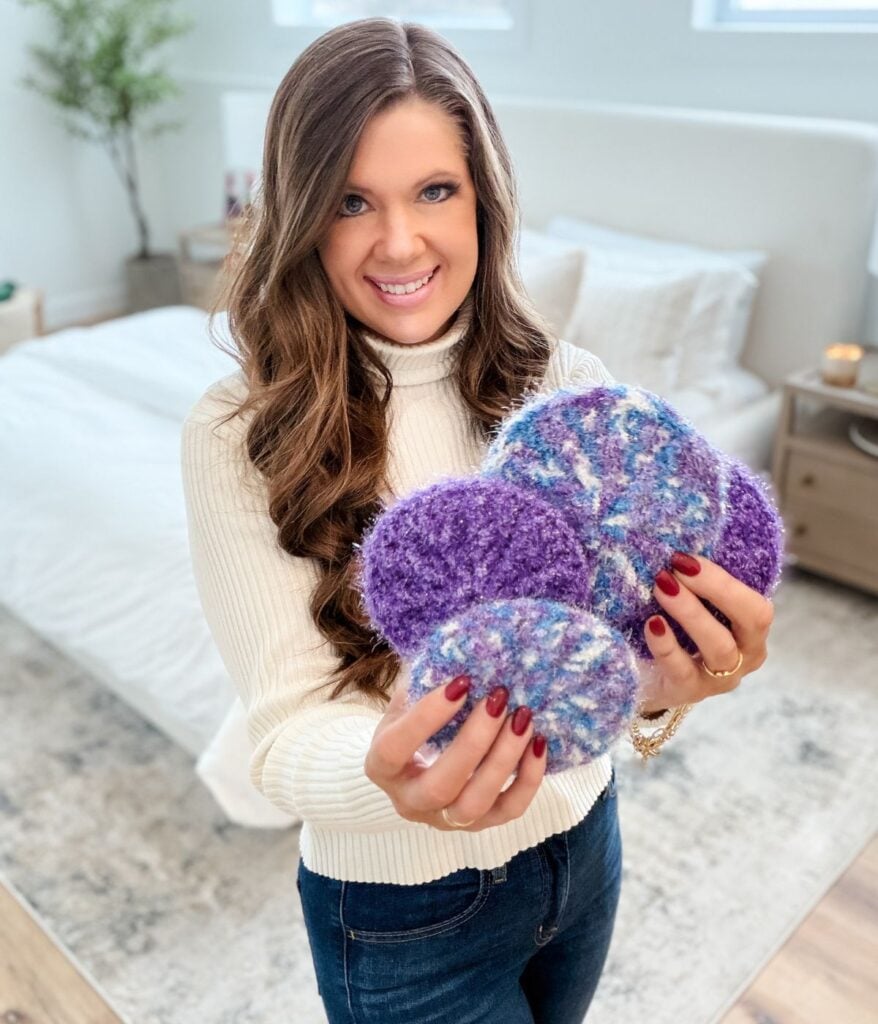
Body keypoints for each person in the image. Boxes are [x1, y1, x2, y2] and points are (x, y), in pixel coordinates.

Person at [180, 17, 774, 1024]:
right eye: (349, 201)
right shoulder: (238, 435)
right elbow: (281, 737)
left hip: (584, 848)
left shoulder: (568, 390)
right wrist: (389, 776)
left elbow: (603, 666)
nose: (399, 242)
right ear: (296, 214)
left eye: (434, 192)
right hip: (399, 910)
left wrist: (659, 682)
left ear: (484, 201)